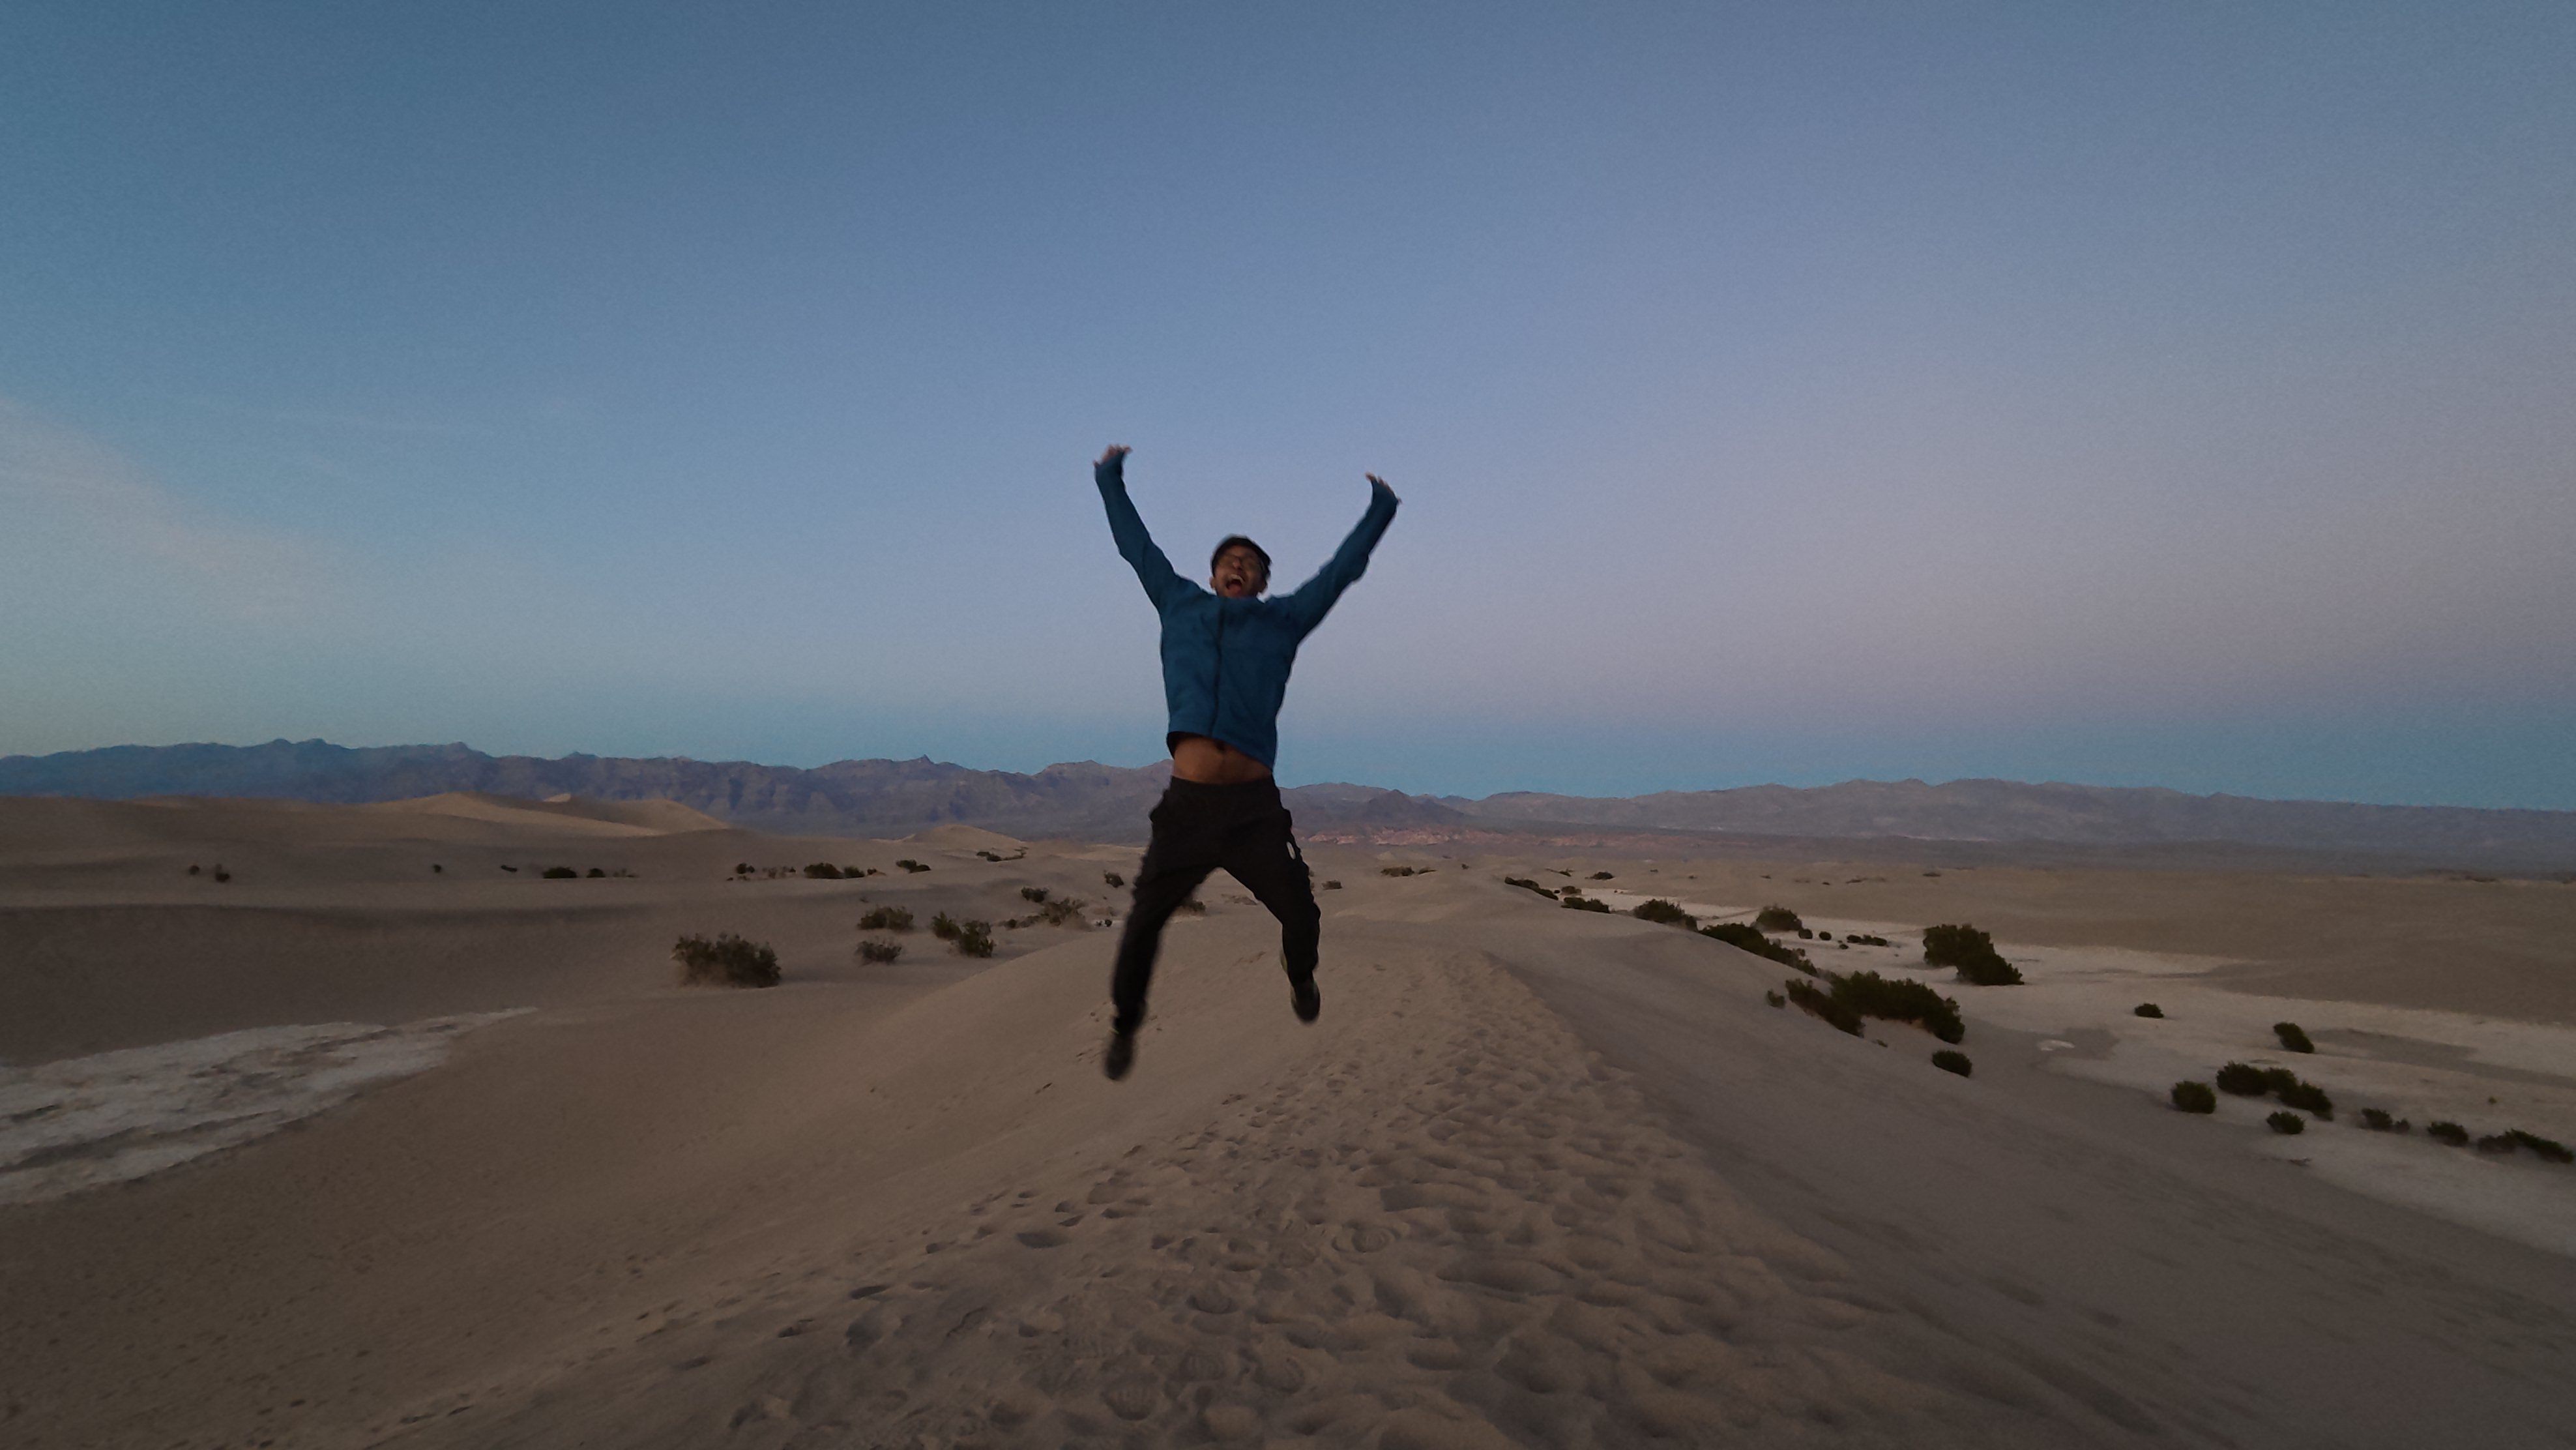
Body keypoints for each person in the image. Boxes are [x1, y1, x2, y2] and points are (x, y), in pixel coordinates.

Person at [1092, 443, 1399, 1080]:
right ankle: (1125, 1024)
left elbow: (1340, 571)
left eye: (1252, 564)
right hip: (1188, 807)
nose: (1240, 567)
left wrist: (1381, 508)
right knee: (1145, 920)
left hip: (1254, 811)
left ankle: (1301, 975)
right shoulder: (1178, 604)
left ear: (1262, 581)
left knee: (1302, 914)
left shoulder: (1283, 621)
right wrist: (1109, 476)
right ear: (1212, 576)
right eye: (1230, 561)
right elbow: (1135, 545)